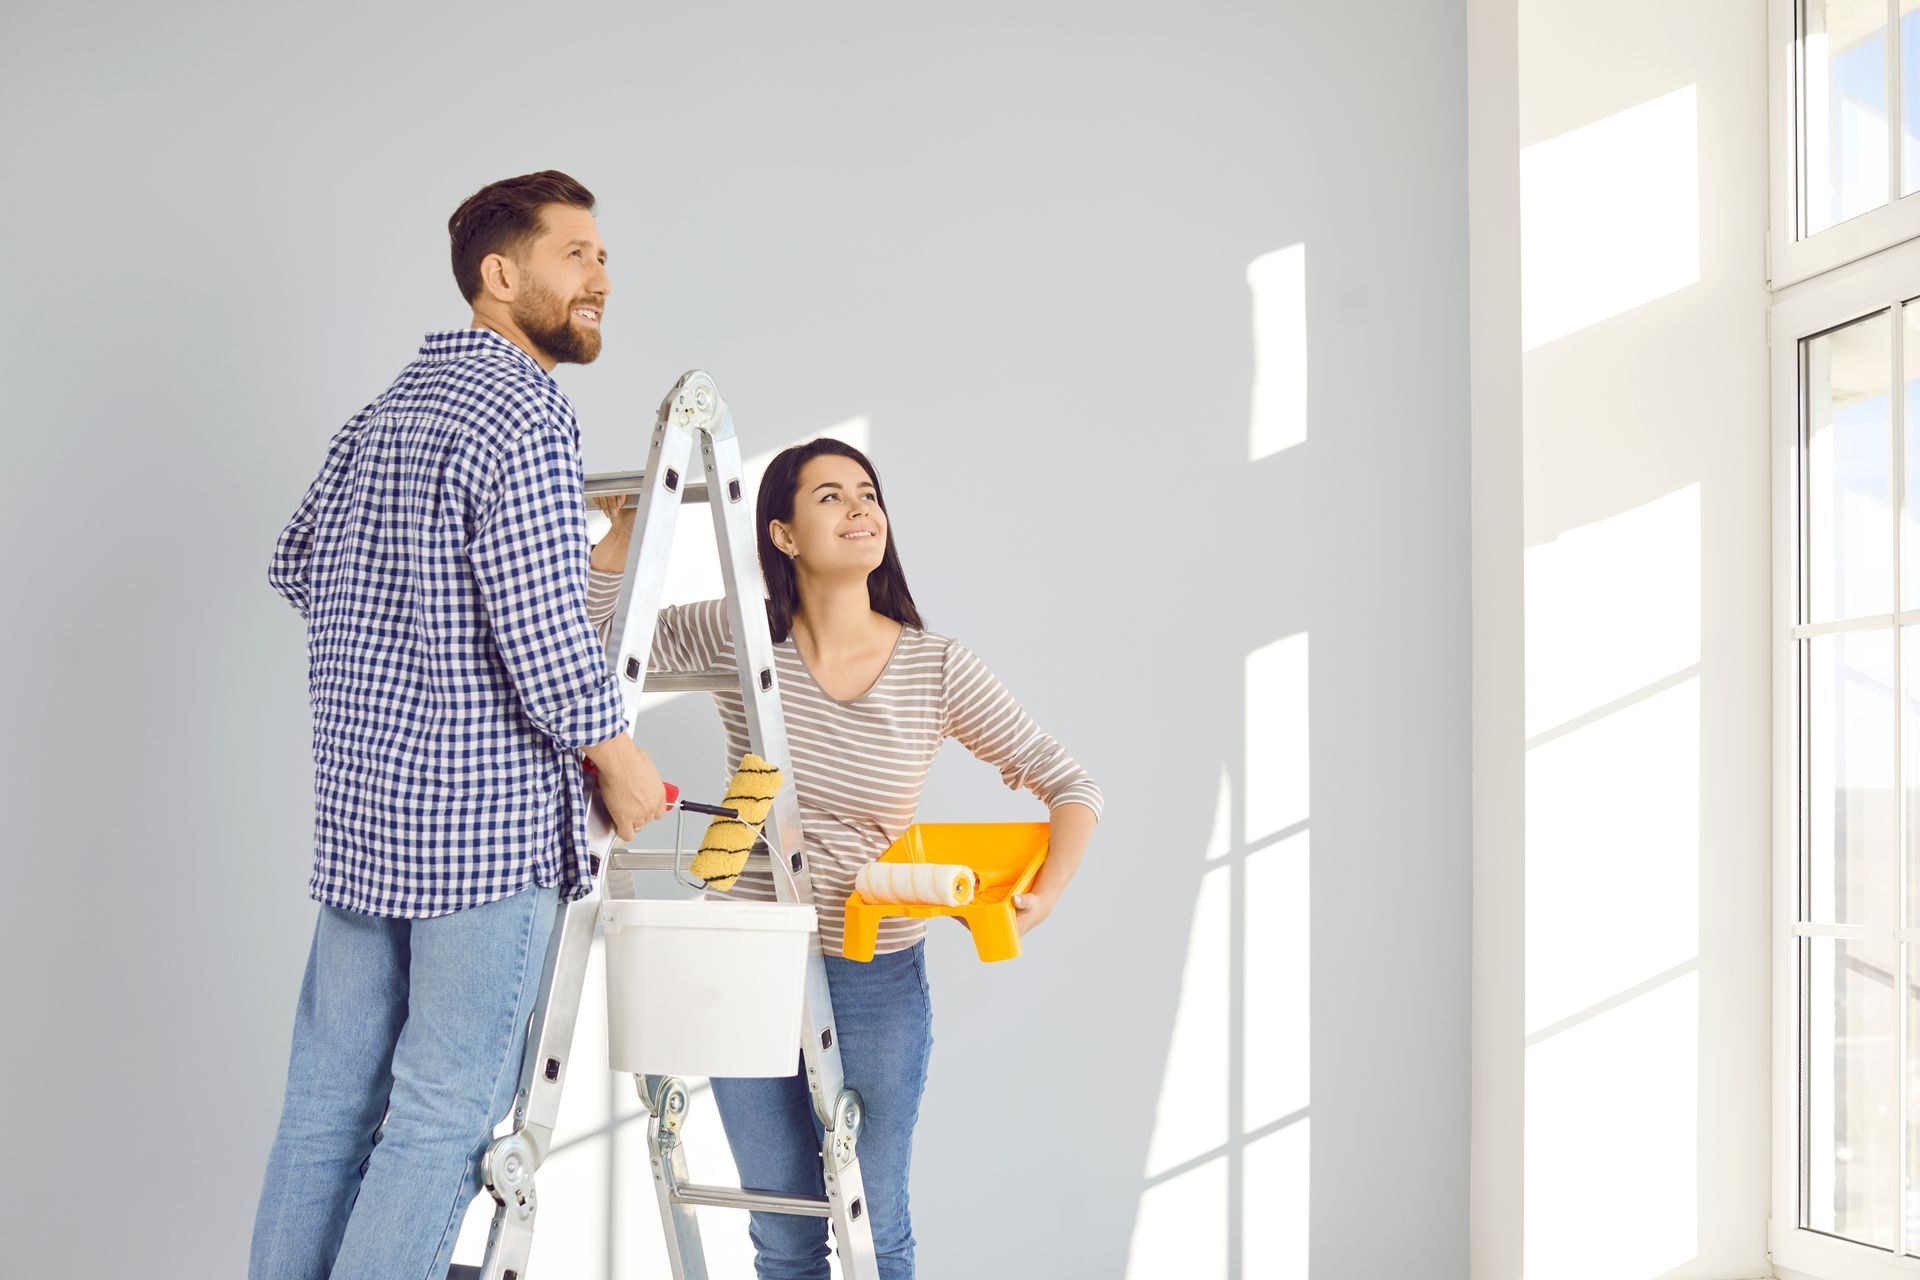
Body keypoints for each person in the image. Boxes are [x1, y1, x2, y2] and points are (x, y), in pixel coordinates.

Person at [250, 170, 668, 1280]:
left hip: (364, 822)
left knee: (327, 1109)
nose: (602, 279)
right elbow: (534, 627)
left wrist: (416, 636)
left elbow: (299, 564)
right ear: (500, 275)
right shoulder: (525, 408)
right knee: (440, 1114)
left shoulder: (381, 416)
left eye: (605, 257)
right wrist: (618, 755)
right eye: (576, 254)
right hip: (481, 833)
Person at [586, 436, 1102, 1280]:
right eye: (831, 496)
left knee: (874, 1225)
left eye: (868, 493)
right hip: (743, 954)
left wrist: (1044, 893)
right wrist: (621, 539)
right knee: (781, 1236)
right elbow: (593, 645)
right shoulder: (739, 633)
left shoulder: (935, 665)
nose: (861, 508)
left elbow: (1070, 784)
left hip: (873, 970)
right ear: (783, 534)